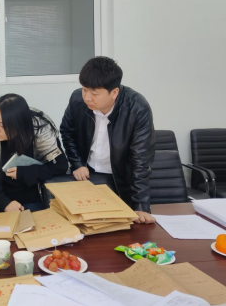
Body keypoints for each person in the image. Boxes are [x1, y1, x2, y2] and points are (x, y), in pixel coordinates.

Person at [60, 57, 156, 224]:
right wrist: (77, 163)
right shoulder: (77, 100)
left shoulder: (137, 108)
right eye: (84, 89)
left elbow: (141, 159)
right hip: (87, 177)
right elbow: (67, 132)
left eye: (94, 93)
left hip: (120, 180)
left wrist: (141, 205)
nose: (87, 97)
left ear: (114, 92)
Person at [0, 94, 69, 213]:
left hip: (36, 198)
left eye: (2, 125)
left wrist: (25, 172)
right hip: (1, 200)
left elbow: (60, 166)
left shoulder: (41, 131)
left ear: (19, 125)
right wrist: (4, 203)